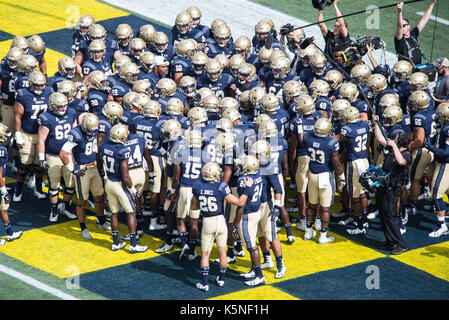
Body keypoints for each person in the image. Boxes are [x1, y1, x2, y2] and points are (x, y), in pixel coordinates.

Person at [192, 162, 253, 292]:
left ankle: (204, 283)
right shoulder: (221, 187)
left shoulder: (197, 187)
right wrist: (247, 189)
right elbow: (239, 202)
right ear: (214, 175)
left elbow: (194, 207)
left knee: (205, 254)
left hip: (208, 221)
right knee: (222, 252)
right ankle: (221, 279)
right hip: (220, 221)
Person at [59, 113, 111, 240]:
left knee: (99, 197)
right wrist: (72, 169)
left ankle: (102, 221)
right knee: (82, 201)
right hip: (82, 170)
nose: (92, 133)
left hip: (94, 168)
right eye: (89, 130)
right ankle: (83, 228)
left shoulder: (94, 128)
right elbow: (63, 153)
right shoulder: (76, 134)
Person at [98, 123, 148, 253]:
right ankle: (133, 244)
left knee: (114, 213)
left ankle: (115, 243)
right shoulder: (122, 150)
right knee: (131, 212)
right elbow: (126, 176)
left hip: (108, 182)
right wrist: (132, 190)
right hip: (119, 184)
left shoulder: (104, 145)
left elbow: (99, 159)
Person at [373, 115, 412, 254]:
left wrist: (394, 146)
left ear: (399, 142)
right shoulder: (392, 149)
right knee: (383, 215)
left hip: (394, 191)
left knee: (391, 217)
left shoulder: (406, 155)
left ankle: (400, 243)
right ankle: (389, 241)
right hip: (384, 187)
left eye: (395, 139)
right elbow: (380, 138)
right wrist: (376, 122)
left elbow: (401, 162)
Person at [37, 92, 78, 222]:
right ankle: (54, 209)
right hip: (53, 156)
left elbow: (76, 132)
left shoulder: (71, 113)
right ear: (52, 106)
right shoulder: (46, 117)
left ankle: (64, 207)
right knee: (54, 185)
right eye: (59, 106)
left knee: (71, 184)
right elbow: (41, 140)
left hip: (68, 154)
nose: (62, 108)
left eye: (64, 106)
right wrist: (41, 158)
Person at [0, 123, 23, 246]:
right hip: (0, 183)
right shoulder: (2, 151)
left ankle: (10, 232)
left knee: (4, 208)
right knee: (4, 207)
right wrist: (3, 190)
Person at [394, 0, 437, 65]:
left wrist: (432, 3)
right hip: (405, 71)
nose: (402, 28)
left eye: (404, 25)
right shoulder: (399, 39)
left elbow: (424, 20)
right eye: (401, 26)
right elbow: (399, 27)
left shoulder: (413, 34)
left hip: (417, 69)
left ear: (409, 26)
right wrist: (400, 11)